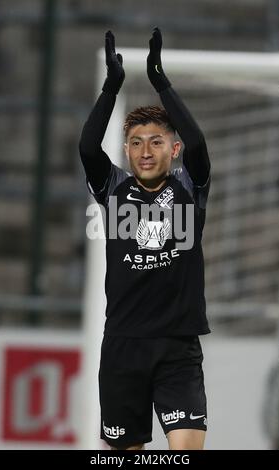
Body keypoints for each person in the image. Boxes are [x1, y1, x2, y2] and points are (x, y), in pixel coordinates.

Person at [79, 27, 211, 451]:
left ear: (172, 150)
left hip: (178, 348)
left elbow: (198, 142)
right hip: (123, 346)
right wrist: (111, 87)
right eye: (136, 143)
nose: (146, 150)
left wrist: (160, 80)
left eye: (156, 141)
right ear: (127, 150)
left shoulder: (189, 186)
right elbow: (86, 147)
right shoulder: (113, 188)